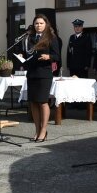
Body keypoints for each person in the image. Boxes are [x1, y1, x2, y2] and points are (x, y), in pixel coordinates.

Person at [24, 14, 60, 142]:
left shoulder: (51, 38)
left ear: (46, 24)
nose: (38, 25)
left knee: (42, 102)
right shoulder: (30, 38)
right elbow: (27, 54)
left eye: (41, 23)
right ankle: (37, 130)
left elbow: (57, 56)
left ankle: (44, 131)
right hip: (32, 73)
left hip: (44, 74)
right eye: (36, 23)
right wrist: (20, 55)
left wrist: (48, 57)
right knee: (33, 102)